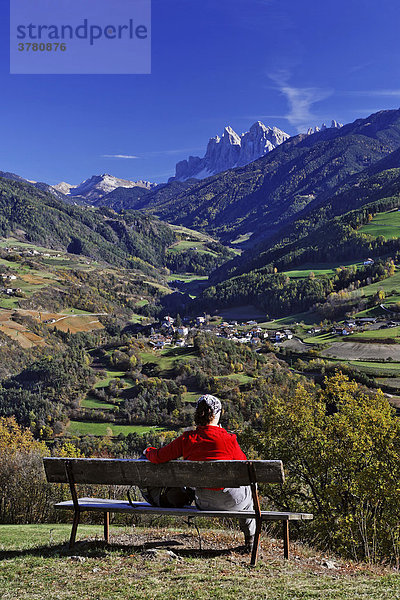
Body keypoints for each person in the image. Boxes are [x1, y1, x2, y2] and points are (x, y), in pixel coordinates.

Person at [144, 394, 255, 550]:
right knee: (249, 489)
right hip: (233, 502)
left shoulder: (187, 439)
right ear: (218, 414)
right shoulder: (229, 439)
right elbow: (244, 467)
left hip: (204, 502)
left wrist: (147, 451)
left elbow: (158, 457)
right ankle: (250, 540)